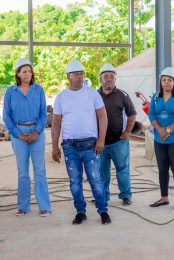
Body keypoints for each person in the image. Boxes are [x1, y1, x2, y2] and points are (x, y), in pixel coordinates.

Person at [51, 60, 111, 225]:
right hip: (70, 147)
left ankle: (103, 210)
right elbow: (56, 123)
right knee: (75, 182)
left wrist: (101, 140)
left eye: (81, 74)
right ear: (68, 76)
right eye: (76, 74)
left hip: (91, 145)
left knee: (96, 180)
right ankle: (80, 211)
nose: (80, 77)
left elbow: (102, 116)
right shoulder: (62, 97)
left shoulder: (92, 93)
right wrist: (54, 146)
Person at [3, 58, 51, 217]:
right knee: (23, 172)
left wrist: (36, 132)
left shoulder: (38, 90)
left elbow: (44, 114)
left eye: (29, 71)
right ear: (18, 74)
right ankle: (23, 206)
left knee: (39, 170)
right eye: (24, 71)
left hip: (37, 134)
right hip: (19, 135)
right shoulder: (10, 92)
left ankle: (44, 206)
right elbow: (7, 116)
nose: (27, 74)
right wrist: (18, 134)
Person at [97, 64, 137, 206]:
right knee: (102, 172)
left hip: (118, 142)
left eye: (111, 77)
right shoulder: (94, 95)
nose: (108, 79)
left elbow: (132, 114)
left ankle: (126, 195)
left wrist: (127, 132)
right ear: (100, 79)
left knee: (122, 170)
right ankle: (103, 196)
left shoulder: (122, 95)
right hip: (100, 142)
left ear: (115, 79)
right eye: (105, 77)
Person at [148, 67, 174, 210]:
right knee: (162, 168)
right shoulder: (155, 96)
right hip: (160, 138)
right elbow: (151, 114)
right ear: (161, 82)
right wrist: (159, 130)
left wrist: (169, 130)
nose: (166, 83)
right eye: (164, 80)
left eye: (169, 80)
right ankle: (164, 197)